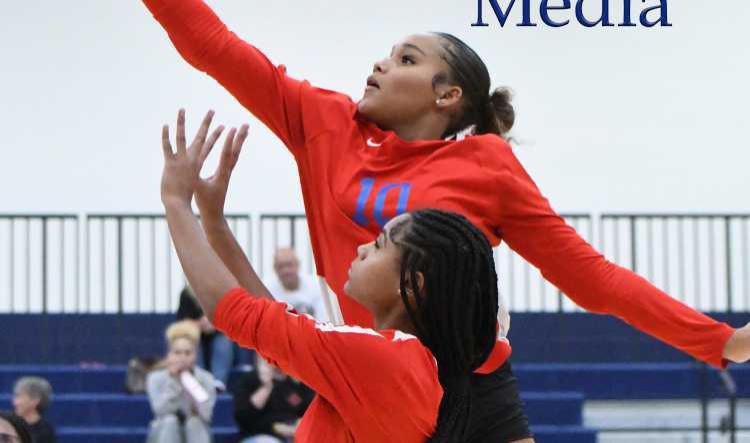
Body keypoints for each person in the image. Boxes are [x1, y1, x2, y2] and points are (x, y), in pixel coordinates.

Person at [141, 0, 750, 370]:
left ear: (447, 95)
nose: (381, 63)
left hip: (465, 389)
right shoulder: (325, 123)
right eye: (387, 54)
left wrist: (722, 342)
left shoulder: (486, 167)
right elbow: (211, 46)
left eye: (406, 60)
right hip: (361, 367)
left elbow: (594, 279)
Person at [157, 115, 525, 441]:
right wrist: (214, 223)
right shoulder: (402, 362)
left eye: (380, 244)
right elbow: (274, 329)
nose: (363, 249)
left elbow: (236, 312)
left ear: (413, 284)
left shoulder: (379, 358)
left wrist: (176, 202)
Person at [146, 320, 217, 443]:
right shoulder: (155, 378)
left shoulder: (206, 378)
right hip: (164, 432)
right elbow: (160, 411)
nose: (182, 358)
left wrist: (191, 384)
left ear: (195, 355)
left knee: (194, 422)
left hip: (196, 432)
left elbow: (207, 414)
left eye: (187, 353)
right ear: (169, 355)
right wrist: (174, 382)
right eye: (177, 352)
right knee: (170, 421)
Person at [232, 357, 314, 443]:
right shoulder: (250, 380)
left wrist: (295, 428)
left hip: (293, 434)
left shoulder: (296, 383)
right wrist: (266, 386)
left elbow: (308, 412)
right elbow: (243, 417)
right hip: (259, 436)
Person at [176, 285, 235, 385]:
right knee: (191, 341)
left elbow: (231, 319)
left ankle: (218, 383)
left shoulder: (222, 291)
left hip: (218, 332)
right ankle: (200, 382)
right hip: (196, 334)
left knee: (224, 340)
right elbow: (182, 322)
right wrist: (200, 324)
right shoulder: (186, 293)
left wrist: (213, 324)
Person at [265, 248, 329, 322]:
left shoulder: (316, 286)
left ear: (297, 265)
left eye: (289, 265)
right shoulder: (268, 289)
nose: (286, 270)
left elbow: (323, 318)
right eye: (281, 266)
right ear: (275, 269)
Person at [11, 378, 55, 443]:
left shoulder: (45, 433)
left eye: (19, 396)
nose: (14, 402)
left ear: (35, 400)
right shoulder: (8, 426)